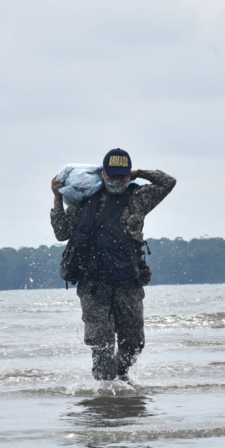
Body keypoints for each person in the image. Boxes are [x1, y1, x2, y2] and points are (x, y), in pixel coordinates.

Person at [50, 148, 176, 382]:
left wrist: (139, 173)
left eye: (122, 175)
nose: (118, 180)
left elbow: (168, 182)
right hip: (93, 286)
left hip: (128, 284)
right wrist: (57, 199)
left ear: (128, 175)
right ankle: (105, 396)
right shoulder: (84, 201)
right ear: (103, 174)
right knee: (101, 346)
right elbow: (61, 232)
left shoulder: (137, 199)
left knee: (134, 343)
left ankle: (122, 384)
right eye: (113, 174)